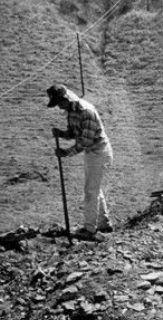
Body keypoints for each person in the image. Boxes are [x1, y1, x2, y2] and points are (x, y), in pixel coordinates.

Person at [47, 84, 114, 240]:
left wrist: (66, 152)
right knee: (94, 188)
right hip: (91, 153)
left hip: (99, 151)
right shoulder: (71, 111)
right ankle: (104, 223)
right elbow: (74, 132)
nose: (58, 107)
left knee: (91, 191)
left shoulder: (86, 111)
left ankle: (90, 230)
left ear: (66, 98)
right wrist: (62, 134)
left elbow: (85, 140)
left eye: (59, 103)